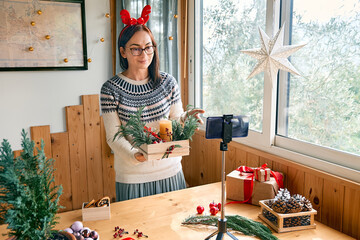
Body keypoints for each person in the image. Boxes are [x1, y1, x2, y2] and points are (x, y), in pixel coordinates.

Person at [100, 5, 204, 201]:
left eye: (148, 47)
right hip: (133, 177)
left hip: (171, 171)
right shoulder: (110, 89)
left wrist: (186, 118)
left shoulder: (168, 82)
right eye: (135, 49)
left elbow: (174, 119)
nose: (144, 54)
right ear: (123, 52)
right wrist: (136, 156)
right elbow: (113, 136)